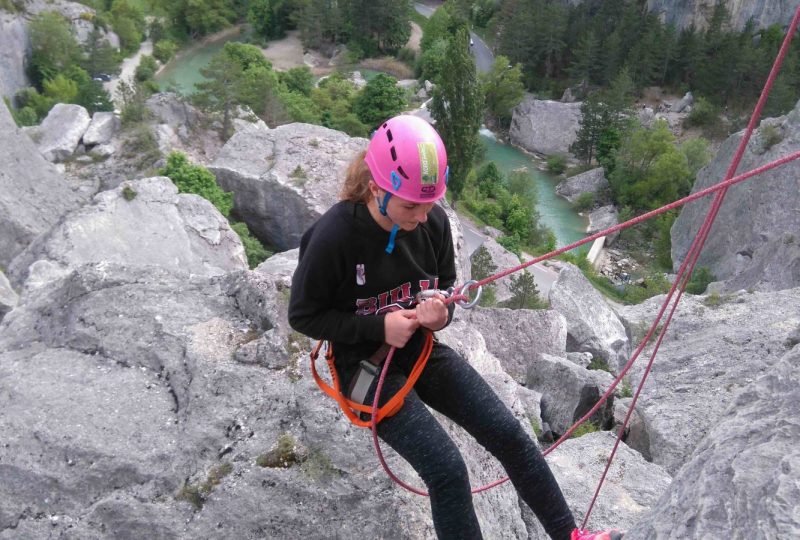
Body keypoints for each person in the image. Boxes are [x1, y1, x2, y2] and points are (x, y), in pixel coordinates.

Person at [289, 115, 621, 540]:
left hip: (420, 351)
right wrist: (378, 326)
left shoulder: (432, 223)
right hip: (365, 368)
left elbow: (444, 287)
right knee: (447, 470)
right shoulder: (334, 236)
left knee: (510, 436)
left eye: (429, 203)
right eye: (411, 205)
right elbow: (303, 316)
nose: (422, 214)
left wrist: (441, 312)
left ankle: (570, 536)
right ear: (377, 188)